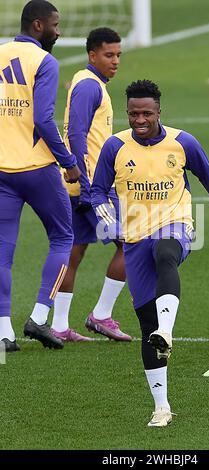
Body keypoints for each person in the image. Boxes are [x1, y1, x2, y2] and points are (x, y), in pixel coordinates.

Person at [91, 80, 209, 426]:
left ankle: (167, 330)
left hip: (176, 223)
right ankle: (161, 407)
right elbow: (97, 192)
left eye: (146, 113)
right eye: (133, 113)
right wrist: (109, 223)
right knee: (147, 326)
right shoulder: (115, 147)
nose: (139, 119)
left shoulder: (182, 142)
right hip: (134, 236)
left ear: (159, 112)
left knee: (166, 253)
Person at [0, 0, 81, 352]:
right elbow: (43, 120)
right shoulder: (44, 62)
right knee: (64, 237)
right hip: (37, 169)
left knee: (3, 252)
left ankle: (4, 332)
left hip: (1, 171)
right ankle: (39, 315)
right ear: (37, 26)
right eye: (55, 24)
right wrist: (68, 161)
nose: (58, 31)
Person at [50, 27, 131, 343]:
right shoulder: (89, 86)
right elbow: (77, 135)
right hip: (92, 185)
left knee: (73, 252)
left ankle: (58, 325)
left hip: (77, 183)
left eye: (118, 55)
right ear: (92, 54)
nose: (115, 61)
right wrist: (87, 184)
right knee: (131, 243)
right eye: (109, 55)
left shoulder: (89, 83)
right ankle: (102, 314)